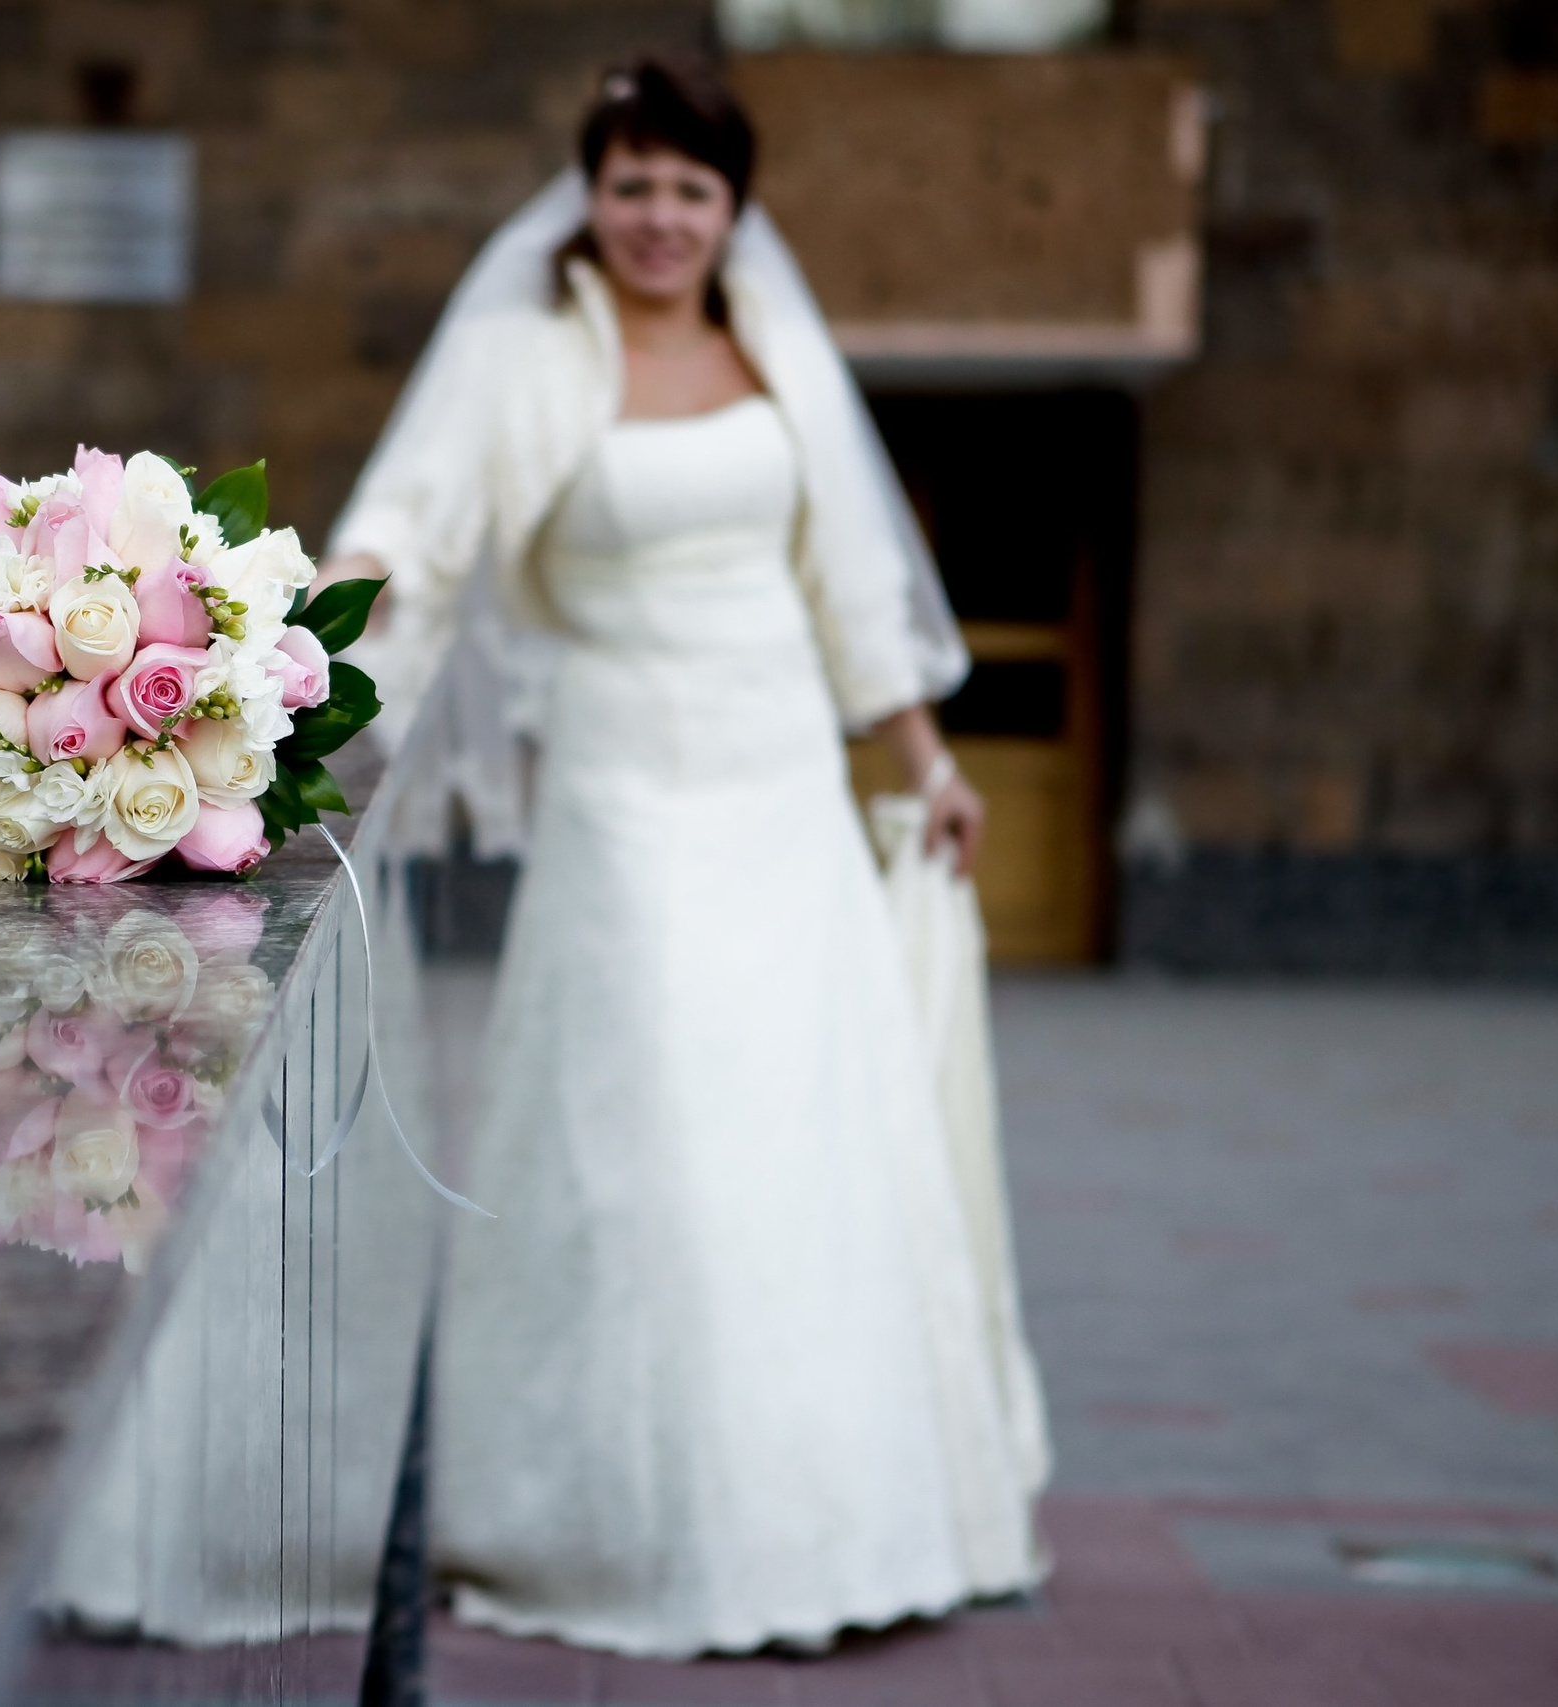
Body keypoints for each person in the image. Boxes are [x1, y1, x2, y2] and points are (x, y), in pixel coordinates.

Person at [317, 58, 1051, 1657]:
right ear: (593, 194)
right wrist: (312, 617)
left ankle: (824, 1511)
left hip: (782, 774)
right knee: (648, 1123)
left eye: (691, 192)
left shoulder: (771, 344)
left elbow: (844, 575)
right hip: (627, 790)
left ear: (735, 211)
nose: (660, 218)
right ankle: (622, 1520)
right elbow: (412, 518)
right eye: (632, 184)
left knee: (793, 1132)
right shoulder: (524, 350)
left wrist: (924, 765)